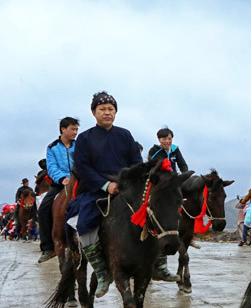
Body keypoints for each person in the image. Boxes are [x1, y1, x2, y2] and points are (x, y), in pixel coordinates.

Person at [66, 91, 143, 297]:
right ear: (94, 112)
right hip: (96, 190)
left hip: (126, 188)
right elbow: (82, 167)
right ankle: (101, 272)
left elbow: (137, 162)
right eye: (102, 109)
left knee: (153, 213)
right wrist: (104, 185)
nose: (107, 113)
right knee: (84, 223)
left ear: (116, 112)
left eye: (111, 109)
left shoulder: (125, 135)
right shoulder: (84, 138)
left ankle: (158, 263)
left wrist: (127, 182)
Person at [145, 127, 186, 280]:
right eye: (164, 139)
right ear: (159, 139)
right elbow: (152, 168)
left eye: (169, 139)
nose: (167, 142)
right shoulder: (154, 151)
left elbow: (183, 165)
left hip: (173, 182)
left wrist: (182, 176)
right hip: (159, 182)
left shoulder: (175, 150)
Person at [38, 117, 79, 263]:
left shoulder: (80, 145)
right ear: (63, 129)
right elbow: (52, 167)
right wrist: (62, 178)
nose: (75, 132)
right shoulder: (52, 147)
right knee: (43, 209)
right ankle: (48, 247)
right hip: (60, 183)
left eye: (76, 129)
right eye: (72, 129)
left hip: (78, 182)